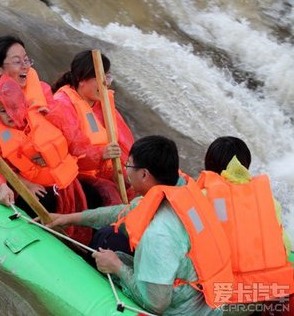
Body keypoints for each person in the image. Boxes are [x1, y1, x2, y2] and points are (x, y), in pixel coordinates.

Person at [47, 135, 232, 315]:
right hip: (203, 296)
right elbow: (122, 212)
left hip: (181, 309)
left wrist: (117, 267)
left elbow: (156, 304)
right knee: (107, 235)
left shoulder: (159, 234)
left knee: (105, 243)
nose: (126, 170)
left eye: (128, 165)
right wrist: (68, 218)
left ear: (144, 174)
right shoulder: (182, 189)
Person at [0, 35, 91, 243]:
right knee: (47, 205)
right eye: (17, 62)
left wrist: (51, 120)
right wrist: (10, 182)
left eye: (27, 60)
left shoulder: (39, 90)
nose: (25, 67)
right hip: (22, 180)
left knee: (94, 197)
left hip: (55, 174)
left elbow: (67, 133)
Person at [198, 136, 294, 305]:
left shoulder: (202, 198)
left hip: (219, 300)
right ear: (246, 166)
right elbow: (284, 247)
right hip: (261, 296)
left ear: (209, 166)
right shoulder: (268, 200)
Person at [48, 50, 135, 208]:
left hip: (105, 171)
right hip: (76, 176)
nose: (106, 84)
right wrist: (101, 153)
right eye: (101, 78)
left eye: (108, 77)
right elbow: (74, 149)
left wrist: (132, 169)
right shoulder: (62, 104)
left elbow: (124, 144)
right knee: (109, 195)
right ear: (82, 79)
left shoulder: (103, 104)